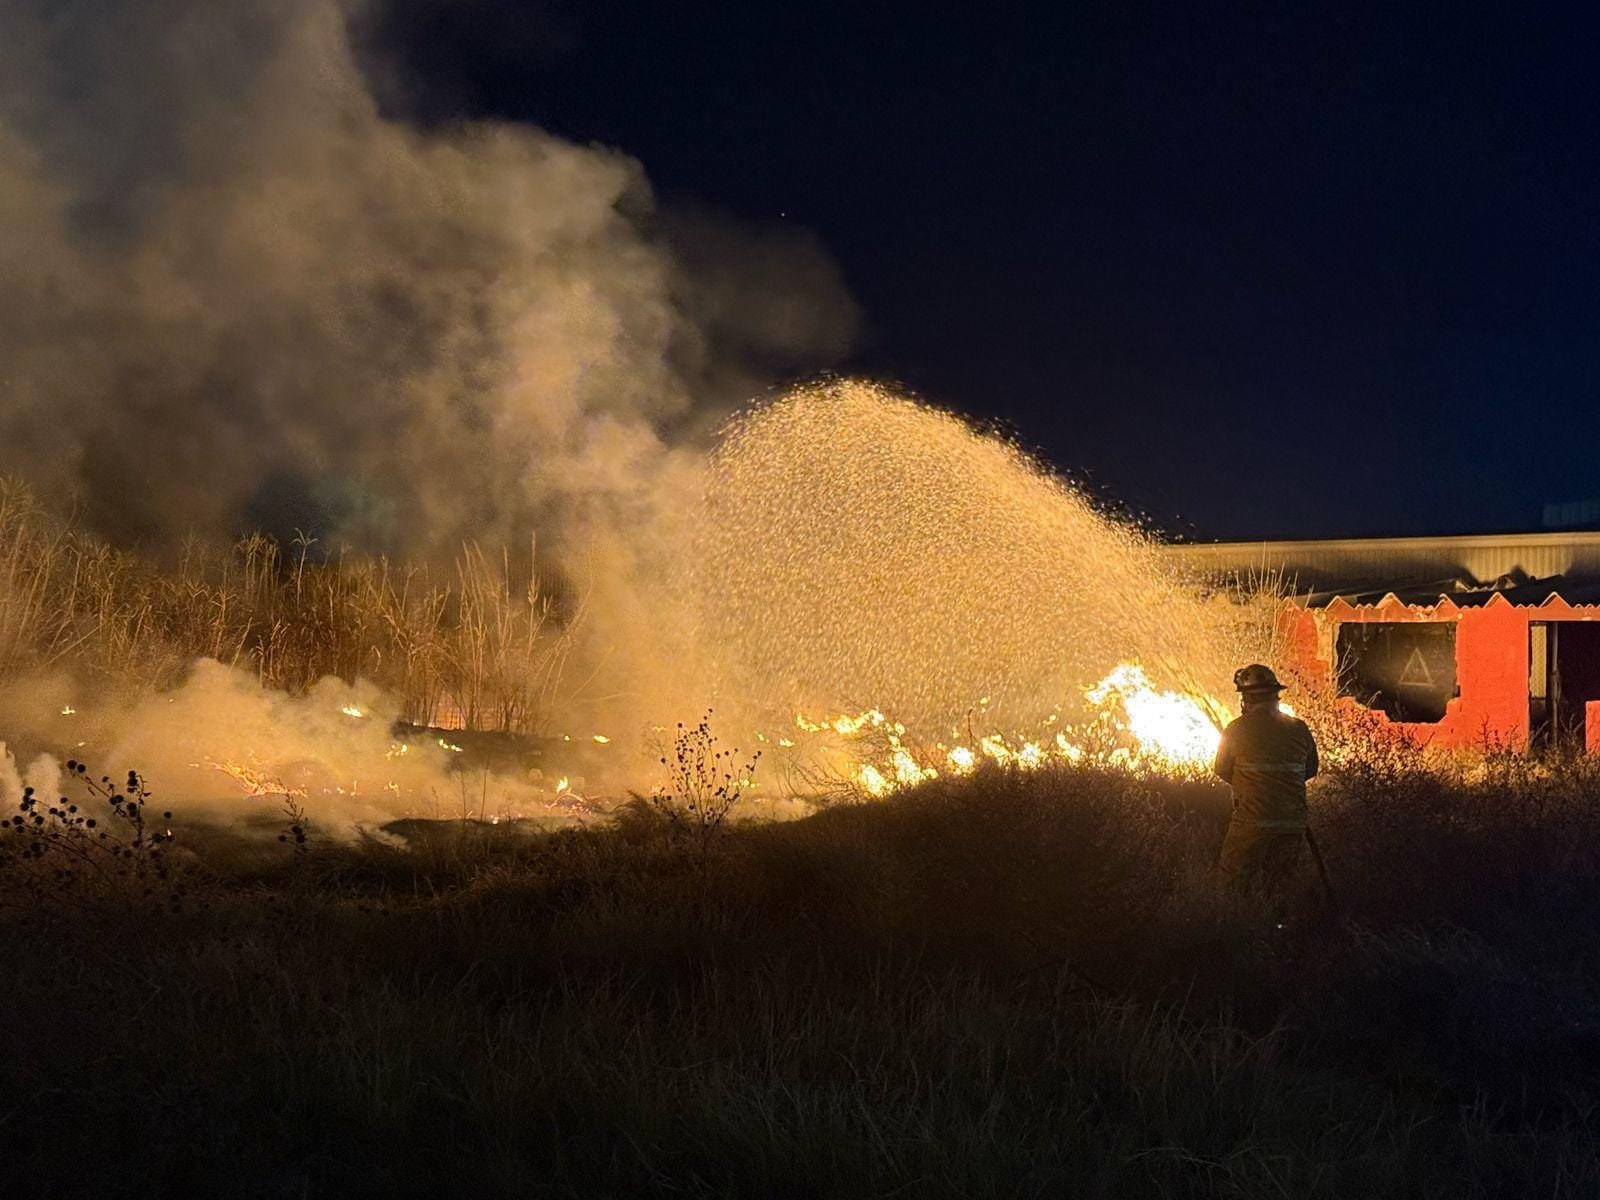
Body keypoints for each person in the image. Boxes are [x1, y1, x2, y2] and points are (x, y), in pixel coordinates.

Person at [1212, 663, 1319, 894]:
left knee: (1232, 887)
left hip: (1251, 824)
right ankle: (1282, 927)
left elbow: (1221, 769)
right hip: (1292, 824)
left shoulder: (1236, 729)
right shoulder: (1299, 728)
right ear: (1275, 694)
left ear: (1247, 698)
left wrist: (1251, 784)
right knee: (1282, 888)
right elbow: (1309, 770)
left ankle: (1237, 927)